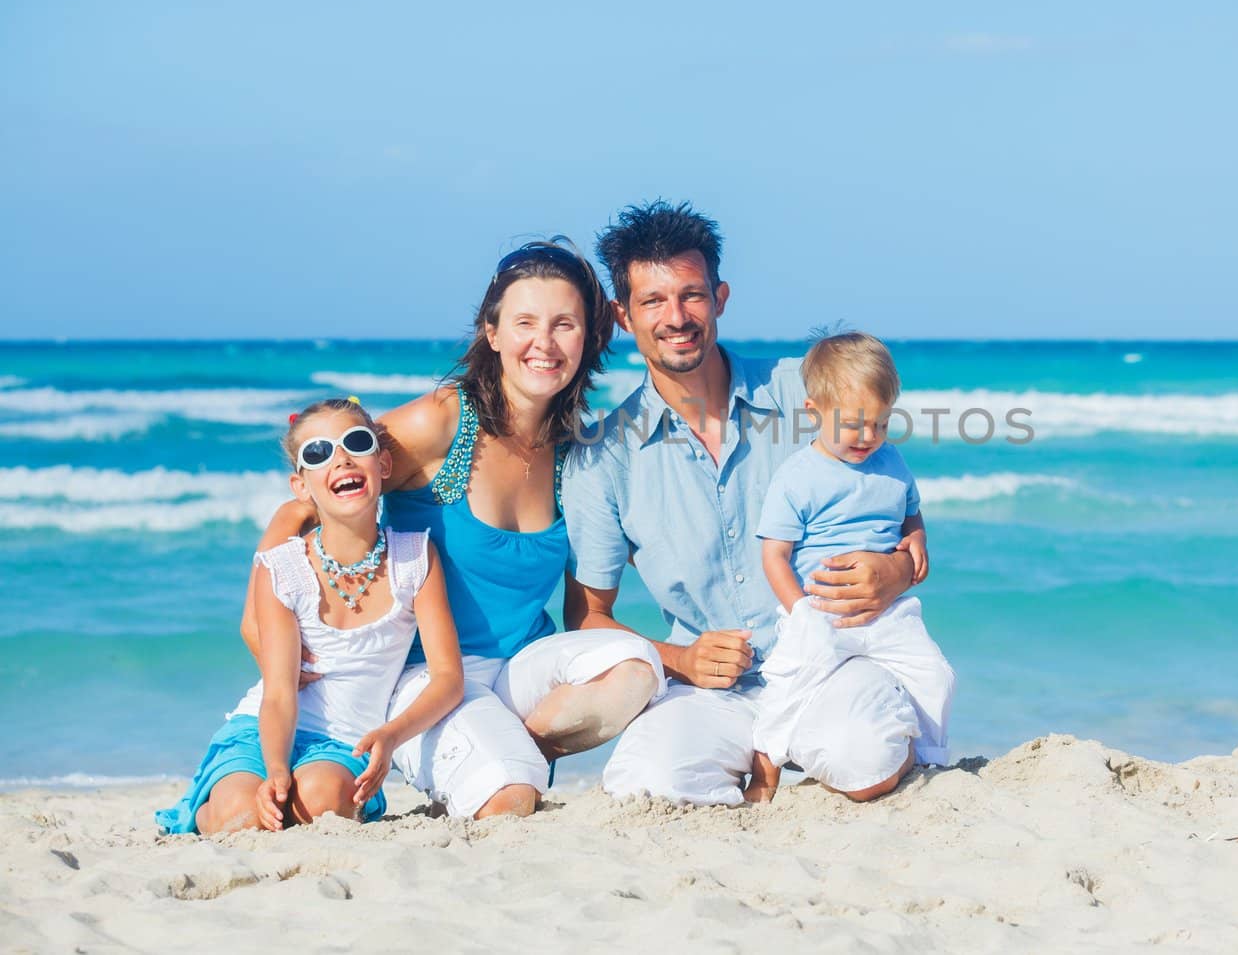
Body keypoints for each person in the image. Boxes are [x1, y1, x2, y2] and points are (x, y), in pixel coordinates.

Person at [243, 240, 664, 820]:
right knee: (510, 804)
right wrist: (261, 632)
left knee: (634, 669)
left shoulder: (578, 454)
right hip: (428, 679)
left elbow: (595, 599)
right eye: (524, 323)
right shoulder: (441, 422)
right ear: (492, 333)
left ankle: (515, 747)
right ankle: (491, 766)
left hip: (522, 671)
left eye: (564, 324)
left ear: (589, 339)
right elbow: (311, 497)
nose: (543, 343)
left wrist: (691, 653)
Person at [564, 201, 931, 806]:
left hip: (830, 664)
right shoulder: (602, 459)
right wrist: (680, 657)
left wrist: (898, 567)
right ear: (623, 316)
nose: (676, 317)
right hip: (708, 689)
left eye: (692, 295)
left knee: (863, 761)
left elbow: (893, 497)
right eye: (653, 301)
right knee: (645, 786)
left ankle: (844, 735)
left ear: (721, 297)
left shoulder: (806, 389)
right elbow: (587, 619)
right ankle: (758, 757)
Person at [159, 398, 464, 834]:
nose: (340, 458)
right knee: (241, 812)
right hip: (263, 731)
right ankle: (204, 810)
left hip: (347, 741)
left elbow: (448, 678)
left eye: (356, 443)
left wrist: (392, 735)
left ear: (383, 464)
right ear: (301, 486)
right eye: (318, 453)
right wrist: (277, 769)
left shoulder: (415, 557)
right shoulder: (282, 568)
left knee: (319, 799)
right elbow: (280, 694)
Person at [745, 332, 955, 803]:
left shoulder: (892, 462)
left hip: (886, 612)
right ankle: (765, 772)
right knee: (789, 685)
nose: (868, 437)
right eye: (855, 424)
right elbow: (774, 554)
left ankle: (930, 758)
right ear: (813, 411)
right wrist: (799, 609)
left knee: (934, 673)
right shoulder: (798, 477)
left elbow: (910, 512)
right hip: (819, 609)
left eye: (881, 423)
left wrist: (917, 537)